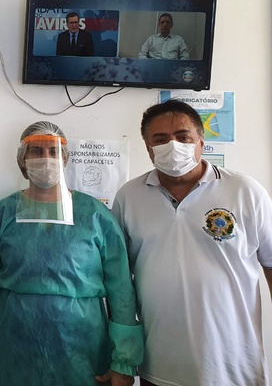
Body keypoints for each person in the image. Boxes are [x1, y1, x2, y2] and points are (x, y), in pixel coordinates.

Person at [0, 121, 142, 386]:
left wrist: (123, 361)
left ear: (65, 159)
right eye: (36, 151)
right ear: (22, 159)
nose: (46, 158)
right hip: (15, 340)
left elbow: (121, 290)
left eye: (54, 151)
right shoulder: (1, 215)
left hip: (83, 342)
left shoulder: (94, 215)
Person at [113, 100, 272, 385]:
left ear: (201, 142)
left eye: (183, 137)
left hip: (235, 367)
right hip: (158, 365)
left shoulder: (246, 192)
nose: (173, 145)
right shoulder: (129, 197)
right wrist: (120, 356)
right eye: (160, 139)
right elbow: (119, 279)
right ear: (149, 149)